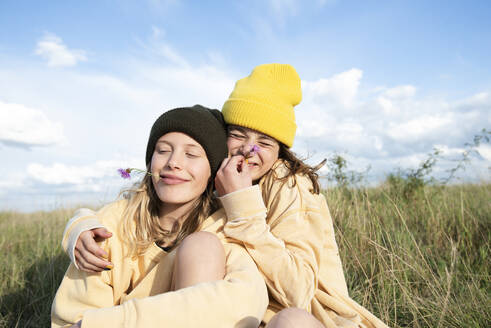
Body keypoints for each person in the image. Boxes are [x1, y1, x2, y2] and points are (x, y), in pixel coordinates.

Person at [60, 65, 389, 328]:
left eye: (265, 141)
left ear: (280, 151)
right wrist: (79, 225)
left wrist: (244, 208)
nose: (249, 149)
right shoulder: (209, 196)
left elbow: (298, 294)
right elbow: (129, 209)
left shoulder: (289, 186)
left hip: (300, 314)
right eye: (238, 134)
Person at [51, 105, 268, 328]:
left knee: (203, 246)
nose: (173, 162)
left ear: (213, 173)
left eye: (191, 154)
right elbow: (73, 319)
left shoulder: (222, 229)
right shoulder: (109, 226)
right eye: (163, 150)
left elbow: (247, 300)